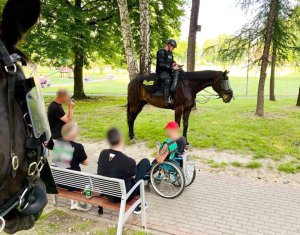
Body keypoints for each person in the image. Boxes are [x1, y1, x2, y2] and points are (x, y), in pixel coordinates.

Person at [97, 128, 150, 214]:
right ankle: (139, 205)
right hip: (122, 195)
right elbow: (134, 176)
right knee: (145, 162)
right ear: (121, 140)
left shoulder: (103, 153)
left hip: (106, 191)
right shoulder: (129, 161)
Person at [52, 122, 92, 211]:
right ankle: (81, 204)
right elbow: (86, 163)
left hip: (58, 181)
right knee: (89, 181)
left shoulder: (58, 142)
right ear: (74, 134)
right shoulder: (78, 147)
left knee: (68, 171)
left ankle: (73, 203)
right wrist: (76, 159)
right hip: (72, 183)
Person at [156, 39, 180, 107]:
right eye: (173, 47)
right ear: (169, 45)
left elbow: (171, 61)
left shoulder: (170, 53)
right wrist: (172, 67)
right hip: (161, 72)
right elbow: (161, 64)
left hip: (168, 71)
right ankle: (167, 101)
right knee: (168, 80)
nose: (173, 49)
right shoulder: (161, 52)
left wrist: (175, 64)